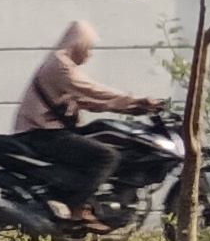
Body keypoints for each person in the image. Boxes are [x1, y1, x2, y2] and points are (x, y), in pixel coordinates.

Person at [12, 20, 158, 224]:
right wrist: (133, 99)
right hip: (42, 133)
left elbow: (88, 101)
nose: (89, 54)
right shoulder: (60, 65)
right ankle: (76, 206)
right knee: (108, 157)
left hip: (48, 131)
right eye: (88, 48)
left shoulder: (62, 64)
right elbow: (91, 90)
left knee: (100, 135)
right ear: (77, 43)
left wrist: (132, 108)